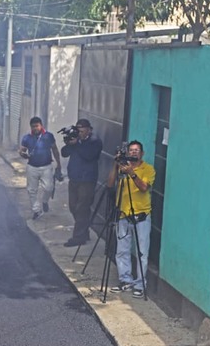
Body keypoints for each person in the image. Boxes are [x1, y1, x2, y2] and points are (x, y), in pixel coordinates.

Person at [107, 140, 156, 298]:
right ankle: (125, 280)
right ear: (127, 153)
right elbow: (109, 184)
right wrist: (116, 166)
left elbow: (143, 188)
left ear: (142, 153)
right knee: (122, 251)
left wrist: (132, 174)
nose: (134, 152)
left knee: (142, 252)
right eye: (131, 150)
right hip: (123, 215)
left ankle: (140, 284)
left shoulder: (148, 169)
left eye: (137, 150)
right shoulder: (122, 167)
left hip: (141, 216)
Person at [60, 118, 103, 246]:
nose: (80, 133)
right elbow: (64, 153)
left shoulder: (94, 141)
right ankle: (84, 231)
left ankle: (78, 237)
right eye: (78, 130)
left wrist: (77, 143)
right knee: (73, 206)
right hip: (74, 178)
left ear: (89, 130)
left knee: (82, 208)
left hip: (87, 180)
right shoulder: (76, 141)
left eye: (82, 131)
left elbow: (89, 156)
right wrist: (69, 143)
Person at [19, 116, 61, 220]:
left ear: (41, 125)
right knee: (31, 190)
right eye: (33, 127)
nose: (35, 128)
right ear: (31, 127)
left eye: (37, 126)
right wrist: (23, 154)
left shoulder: (48, 136)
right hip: (32, 167)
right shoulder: (26, 138)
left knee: (48, 188)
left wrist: (58, 164)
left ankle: (45, 201)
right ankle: (36, 210)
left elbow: (55, 149)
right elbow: (22, 150)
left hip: (46, 166)